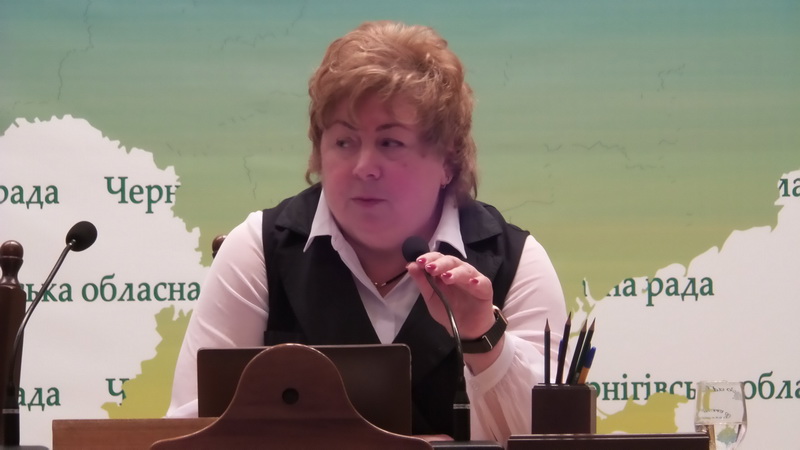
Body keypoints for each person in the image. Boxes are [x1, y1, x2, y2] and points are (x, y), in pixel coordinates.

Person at [167, 20, 566, 444]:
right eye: (344, 142)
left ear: (448, 159)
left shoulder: (515, 261)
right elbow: (190, 430)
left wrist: (483, 337)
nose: (364, 167)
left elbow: (552, 437)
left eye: (390, 143)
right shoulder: (258, 250)